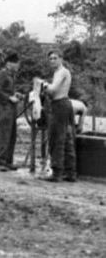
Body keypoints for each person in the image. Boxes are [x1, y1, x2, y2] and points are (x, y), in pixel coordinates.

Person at [40, 50, 77, 182]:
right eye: (50, 59)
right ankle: (70, 172)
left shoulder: (62, 72)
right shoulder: (58, 73)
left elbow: (53, 89)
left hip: (61, 105)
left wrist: (43, 84)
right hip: (61, 105)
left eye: (55, 58)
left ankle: (57, 173)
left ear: (61, 59)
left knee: (57, 138)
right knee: (66, 138)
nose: (52, 61)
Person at [0, 52, 23, 172]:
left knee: (11, 136)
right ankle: (0, 162)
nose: (18, 66)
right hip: (4, 108)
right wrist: (9, 98)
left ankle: (8, 161)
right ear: (9, 63)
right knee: (3, 135)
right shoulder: (2, 74)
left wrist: (15, 95)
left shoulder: (11, 75)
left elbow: (6, 90)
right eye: (16, 63)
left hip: (11, 108)